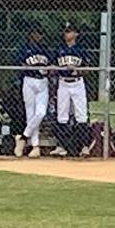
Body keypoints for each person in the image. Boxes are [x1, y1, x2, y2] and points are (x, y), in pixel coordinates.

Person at [51, 22, 88, 157]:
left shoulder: (81, 49)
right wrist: (59, 69)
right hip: (63, 83)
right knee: (62, 115)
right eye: (66, 31)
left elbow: (87, 68)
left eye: (70, 31)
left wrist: (77, 69)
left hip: (77, 83)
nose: (67, 34)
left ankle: (84, 146)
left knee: (81, 114)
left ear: (76, 34)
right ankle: (61, 146)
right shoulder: (59, 49)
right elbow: (53, 67)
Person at [13, 24, 51, 158]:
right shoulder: (24, 49)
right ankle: (35, 147)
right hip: (28, 80)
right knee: (31, 114)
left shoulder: (45, 49)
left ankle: (23, 138)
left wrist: (46, 69)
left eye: (40, 33)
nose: (39, 36)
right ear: (31, 34)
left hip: (42, 82)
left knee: (41, 112)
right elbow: (19, 64)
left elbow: (50, 66)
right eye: (36, 33)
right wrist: (30, 66)